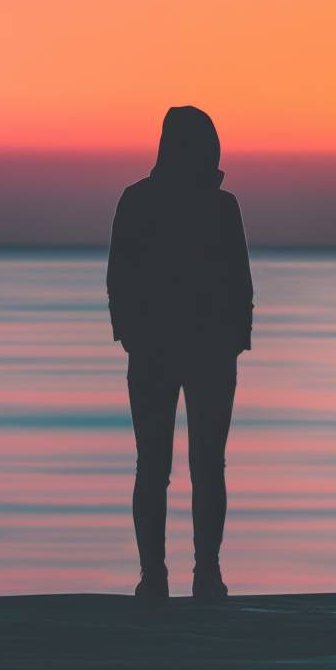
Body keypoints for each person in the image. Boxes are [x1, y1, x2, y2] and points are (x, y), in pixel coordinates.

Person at [105, 105, 253, 602]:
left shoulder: (221, 205)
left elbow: (239, 280)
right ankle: (158, 576)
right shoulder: (140, 201)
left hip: (205, 351)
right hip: (158, 351)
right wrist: (128, 333)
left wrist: (236, 339)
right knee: (161, 466)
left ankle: (201, 574)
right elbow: (119, 277)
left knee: (201, 465)